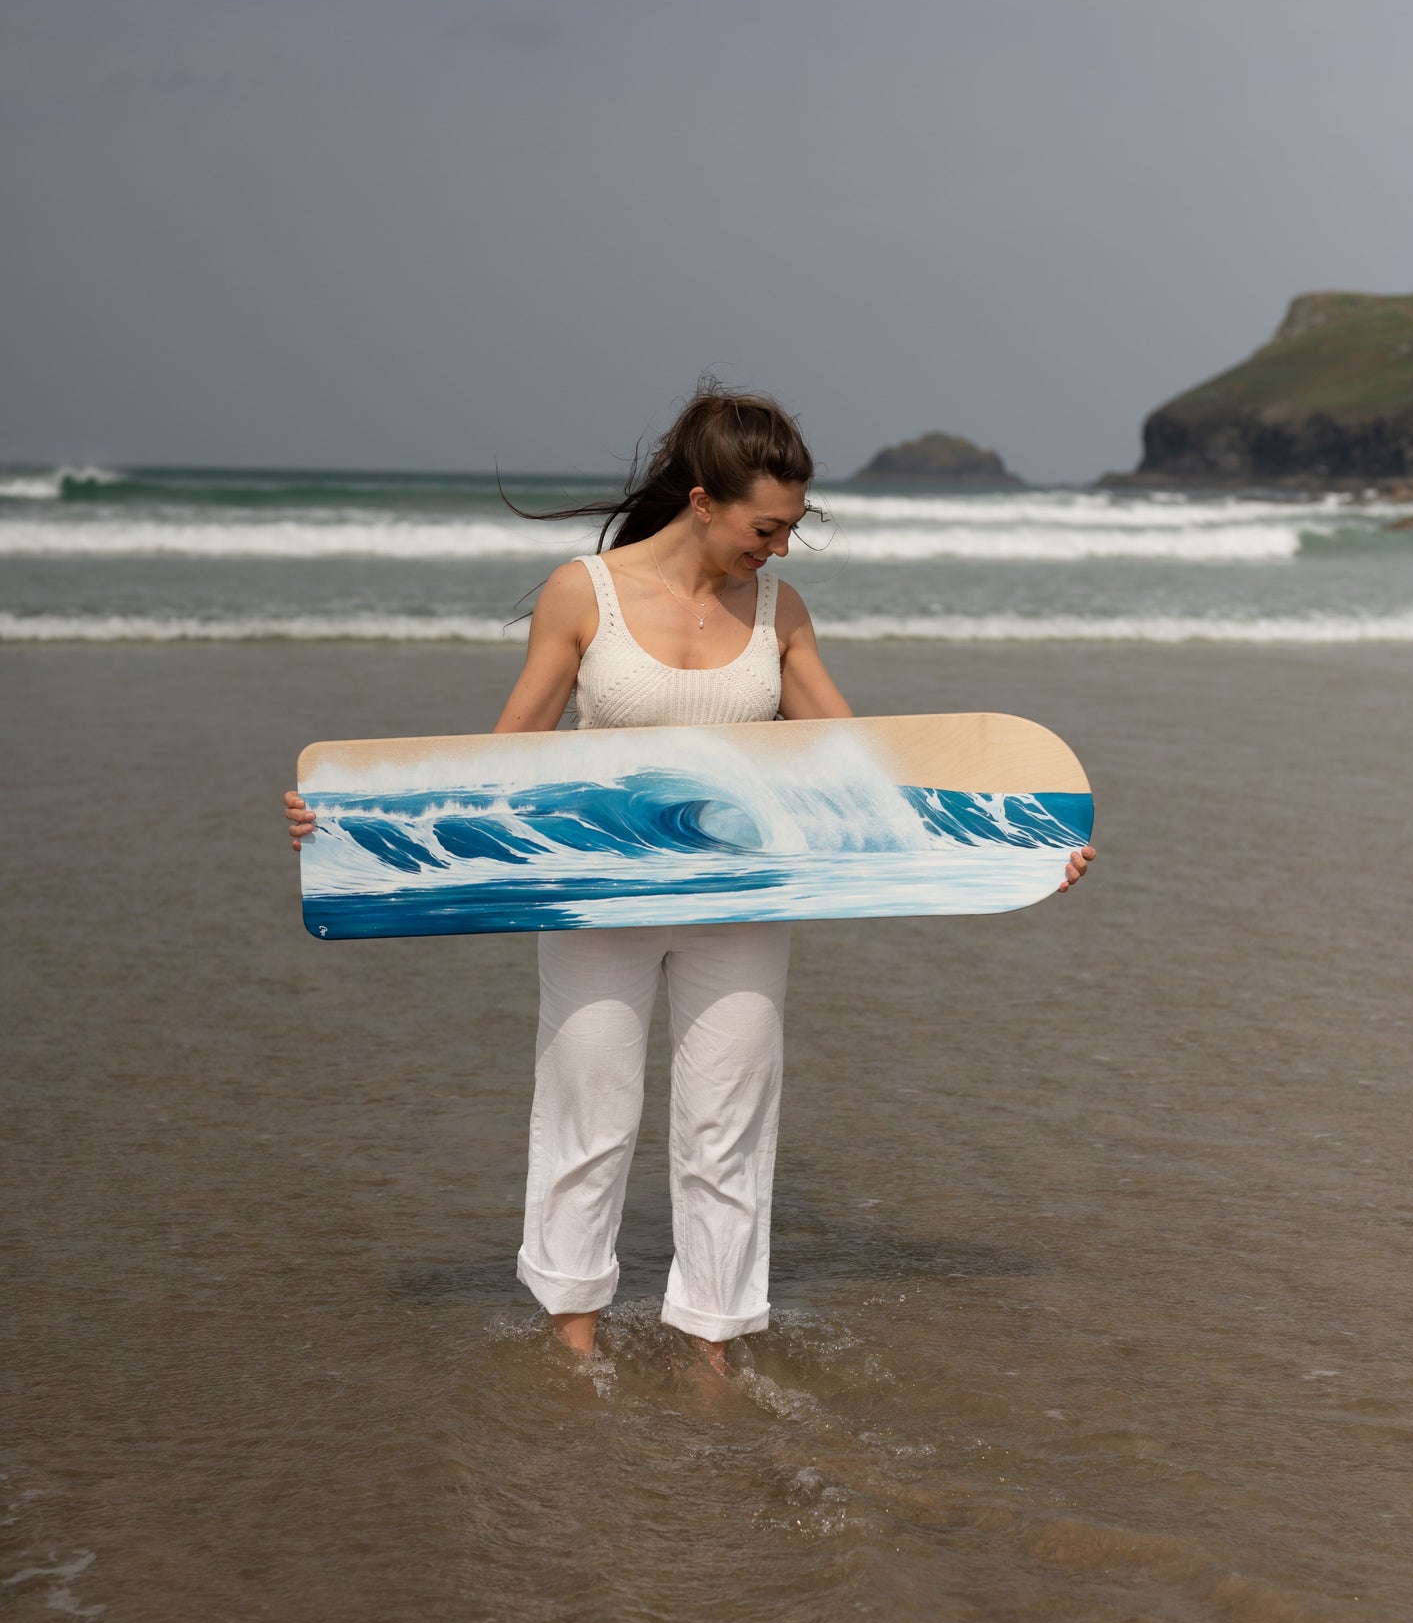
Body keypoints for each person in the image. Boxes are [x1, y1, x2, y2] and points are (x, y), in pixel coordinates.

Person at [284, 385, 1094, 1375]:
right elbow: (499, 762)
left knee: (730, 1121)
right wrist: (353, 826)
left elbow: (865, 768)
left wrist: (1015, 848)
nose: (780, 548)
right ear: (702, 501)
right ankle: (574, 1327)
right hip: (597, 896)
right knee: (590, 1103)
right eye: (767, 526)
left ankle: (713, 1335)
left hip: (740, 903)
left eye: (791, 529)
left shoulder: (777, 614)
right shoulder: (583, 595)